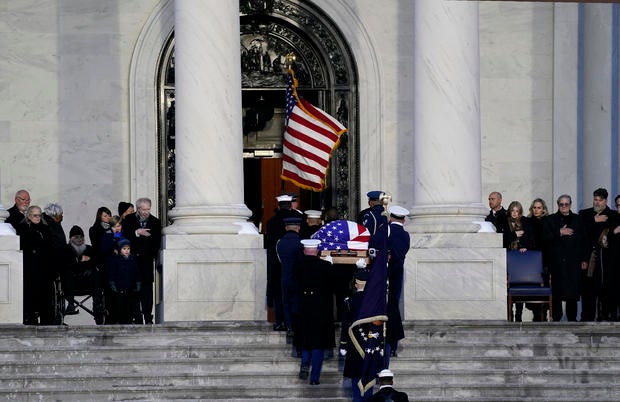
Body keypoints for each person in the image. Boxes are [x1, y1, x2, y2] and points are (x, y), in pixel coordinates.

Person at [294, 239, 335, 385]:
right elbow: (333, 286)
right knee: (318, 341)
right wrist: (330, 265)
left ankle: (305, 363)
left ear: (305, 251)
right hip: (320, 306)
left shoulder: (297, 265)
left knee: (305, 337)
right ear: (317, 251)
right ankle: (315, 377)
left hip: (304, 304)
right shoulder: (325, 265)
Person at [543, 195, 588, 321]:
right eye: (561, 204)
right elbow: (545, 238)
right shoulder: (550, 219)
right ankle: (556, 318)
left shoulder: (578, 219)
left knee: (572, 291)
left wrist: (584, 259)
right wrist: (559, 232)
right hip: (556, 261)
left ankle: (572, 318)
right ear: (558, 205)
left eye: (566, 204)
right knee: (557, 290)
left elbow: (584, 240)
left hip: (573, 261)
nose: (563, 206)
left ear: (570, 204)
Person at [122, 197, 161, 324]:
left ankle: (148, 318)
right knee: (133, 291)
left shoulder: (155, 222)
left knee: (147, 292)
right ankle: (137, 318)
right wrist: (137, 232)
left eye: (148, 209)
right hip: (132, 262)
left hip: (146, 262)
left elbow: (156, 242)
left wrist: (149, 248)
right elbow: (125, 235)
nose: (146, 212)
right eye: (143, 209)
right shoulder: (129, 219)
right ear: (138, 208)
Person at [579, 188, 615, 321]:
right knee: (588, 288)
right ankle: (587, 316)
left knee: (604, 286)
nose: (597, 202)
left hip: (606, 258)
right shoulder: (585, 214)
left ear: (605, 201)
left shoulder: (612, 215)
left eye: (600, 200)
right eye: (595, 199)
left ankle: (604, 315)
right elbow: (579, 228)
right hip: (589, 256)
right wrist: (594, 220)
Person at [265, 194, 299, 331]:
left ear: (278, 206)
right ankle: (293, 323)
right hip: (296, 264)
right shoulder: (299, 219)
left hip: (276, 263)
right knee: (295, 295)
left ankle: (279, 321)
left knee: (278, 294)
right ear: (291, 205)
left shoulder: (271, 222)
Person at [16, 205, 54, 325]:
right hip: (31, 266)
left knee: (45, 294)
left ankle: (46, 319)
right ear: (29, 215)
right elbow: (24, 245)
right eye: (35, 215)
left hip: (44, 266)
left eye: (39, 215)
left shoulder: (46, 228)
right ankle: (30, 317)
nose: (37, 217)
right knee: (31, 293)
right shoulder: (23, 228)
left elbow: (49, 245)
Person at [340, 269, 372, 402]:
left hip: (354, 345)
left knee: (355, 378)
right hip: (370, 344)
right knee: (369, 378)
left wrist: (343, 344)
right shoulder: (373, 302)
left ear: (356, 284)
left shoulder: (349, 301)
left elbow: (345, 325)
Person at [385, 206, 410, 366]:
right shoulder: (406, 235)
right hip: (397, 272)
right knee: (394, 306)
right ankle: (393, 345)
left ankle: (387, 343)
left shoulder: (386, 231)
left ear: (391, 218)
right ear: (404, 220)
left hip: (385, 272)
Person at [61, 225, 103, 319]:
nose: (79, 239)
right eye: (76, 237)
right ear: (71, 238)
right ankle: (70, 304)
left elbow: (96, 261)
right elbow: (65, 263)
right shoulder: (66, 250)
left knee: (97, 273)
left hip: (88, 282)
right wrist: (80, 259)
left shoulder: (89, 249)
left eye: (81, 237)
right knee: (67, 273)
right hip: (71, 282)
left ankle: (97, 305)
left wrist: (87, 262)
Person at [503, 200, 535, 322]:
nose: (515, 213)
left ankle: (519, 314)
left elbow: (531, 239)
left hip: (522, 261)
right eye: (513, 210)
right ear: (510, 211)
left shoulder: (525, 223)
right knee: (509, 286)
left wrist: (526, 247)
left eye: (517, 211)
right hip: (509, 258)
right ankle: (509, 313)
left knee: (519, 285)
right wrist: (515, 234)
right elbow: (503, 239)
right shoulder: (505, 223)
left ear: (520, 212)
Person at [276, 217, 303, 338]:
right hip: (299, 277)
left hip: (285, 277)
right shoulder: (302, 242)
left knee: (286, 302)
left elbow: (280, 260)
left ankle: (289, 326)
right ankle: (298, 326)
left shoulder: (279, 242)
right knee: (298, 301)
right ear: (298, 228)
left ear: (286, 228)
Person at [525, 198, 550, 321]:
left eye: (539, 208)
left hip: (545, 258)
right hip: (531, 260)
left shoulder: (549, 221)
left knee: (545, 284)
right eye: (534, 207)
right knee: (533, 286)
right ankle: (536, 314)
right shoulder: (527, 221)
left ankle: (543, 313)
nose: (536, 210)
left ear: (543, 209)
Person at [106, 239, 141, 324]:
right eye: (124, 249)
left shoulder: (133, 260)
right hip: (119, 290)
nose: (126, 251)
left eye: (128, 249)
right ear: (120, 250)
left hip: (130, 290)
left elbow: (137, 273)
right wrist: (112, 283)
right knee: (120, 309)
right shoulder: (116, 260)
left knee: (130, 310)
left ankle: (129, 322)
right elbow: (113, 273)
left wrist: (138, 283)